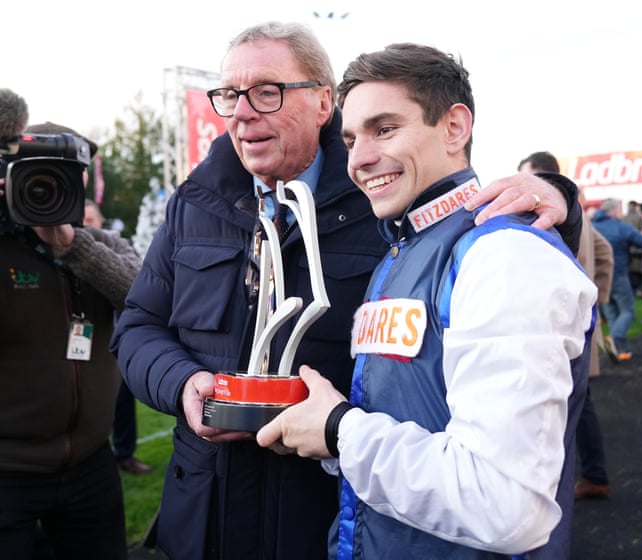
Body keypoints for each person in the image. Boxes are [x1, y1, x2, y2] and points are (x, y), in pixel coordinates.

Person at [110, 22, 583, 560]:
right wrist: (181, 382)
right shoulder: (194, 203)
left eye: (266, 92)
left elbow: (476, 228)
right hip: (209, 505)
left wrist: (556, 201)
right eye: (229, 95)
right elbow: (137, 326)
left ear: (322, 102)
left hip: (328, 510)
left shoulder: (384, 201)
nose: (242, 112)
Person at [257, 43, 597, 559]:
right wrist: (328, 425)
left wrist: (338, 429)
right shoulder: (403, 245)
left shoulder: (503, 254)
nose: (359, 159)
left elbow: (505, 505)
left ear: (455, 128)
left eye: (384, 129)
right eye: (351, 139)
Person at [0, 110, 137, 558]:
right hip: (8, 471)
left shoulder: (102, 244)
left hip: (90, 463)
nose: (48, 187)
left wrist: (72, 245)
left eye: (64, 176)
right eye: (37, 177)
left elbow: (146, 299)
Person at [519, 151, 613, 499]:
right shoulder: (578, 213)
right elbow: (605, 253)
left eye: (524, 175)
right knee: (578, 402)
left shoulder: (546, 211)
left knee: (570, 407)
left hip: (557, 324)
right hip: (577, 321)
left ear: (540, 176)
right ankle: (592, 474)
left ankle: (587, 477)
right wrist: (597, 296)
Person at [83, 199, 152, 474]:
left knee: (122, 401)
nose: (86, 225)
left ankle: (124, 454)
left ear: (101, 221)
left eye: (90, 220)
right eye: (82, 219)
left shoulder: (111, 245)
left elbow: (138, 290)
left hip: (113, 344)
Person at [592, 198, 642, 361]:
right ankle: (614, 338)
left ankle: (621, 350)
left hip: (599, 277)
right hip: (618, 274)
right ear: (615, 211)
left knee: (612, 314)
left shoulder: (591, 227)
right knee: (628, 311)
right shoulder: (621, 227)